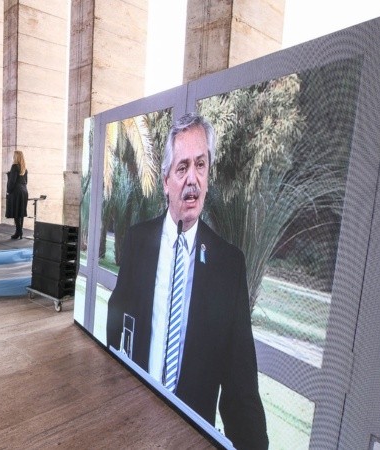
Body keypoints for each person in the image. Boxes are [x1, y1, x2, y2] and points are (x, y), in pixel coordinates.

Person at [105, 113, 267, 450]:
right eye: (182, 168)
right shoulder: (137, 241)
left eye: (200, 165)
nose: (192, 179)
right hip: (131, 425)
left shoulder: (229, 266)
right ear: (166, 181)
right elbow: (116, 317)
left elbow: (241, 390)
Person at [5, 150, 28, 239]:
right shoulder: (24, 168)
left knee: (16, 212)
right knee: (21, 212)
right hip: (24, 191)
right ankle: (20, 232)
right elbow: (26, 181)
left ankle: (18, 232)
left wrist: (8, 191)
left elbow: (12, 181)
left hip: (16, 191)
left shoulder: (14, 166)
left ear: (16, 157)